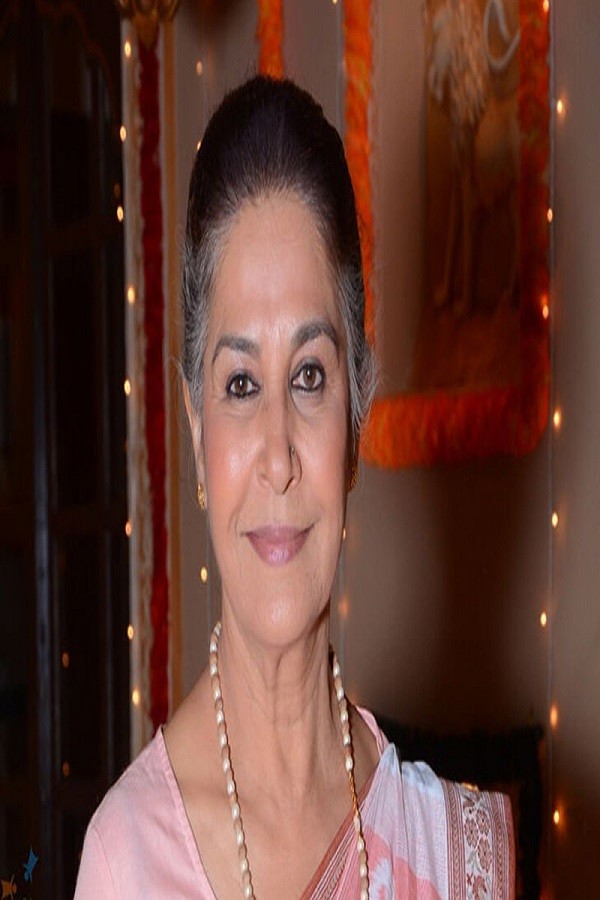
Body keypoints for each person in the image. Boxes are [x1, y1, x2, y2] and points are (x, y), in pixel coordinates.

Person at [75, 75, 514, 898]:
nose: (277, 455)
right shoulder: (127, 859)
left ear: (356, 412)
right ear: (197, 430)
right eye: (241, 384)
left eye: (309, 374)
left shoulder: (455, 850)